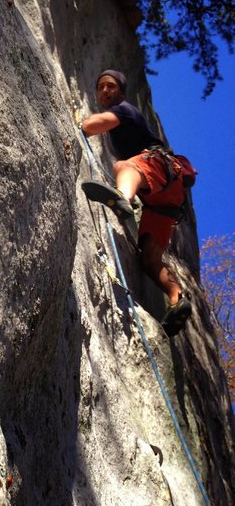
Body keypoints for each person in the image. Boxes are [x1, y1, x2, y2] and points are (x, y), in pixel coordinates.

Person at [81, 69, 192, 336]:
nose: (105, 91)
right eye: (100, 88)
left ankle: (122, 197)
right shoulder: (124, 113)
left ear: (121, 91)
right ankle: (177, 297)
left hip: (158, 168)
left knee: (124, 166)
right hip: (166, 200)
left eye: (110, 86)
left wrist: (80, 121)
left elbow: (89, 127)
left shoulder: (125, 110)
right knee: (150, 259)